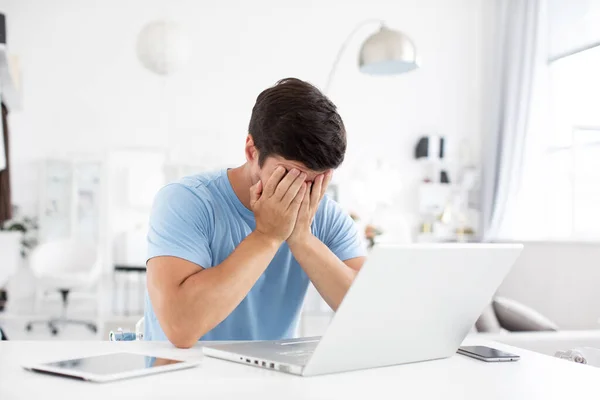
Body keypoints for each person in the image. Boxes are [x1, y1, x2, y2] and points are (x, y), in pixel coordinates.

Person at [145, 78, 366, 348]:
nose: (300, 191)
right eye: (290, 174)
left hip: (272, 383)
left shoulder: (325, 214)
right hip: (182, 381)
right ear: (252, 151)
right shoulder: (186, 201)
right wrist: (268, 236)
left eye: (315, 179)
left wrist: (301, 238)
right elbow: (180, 327)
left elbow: (367, 314)